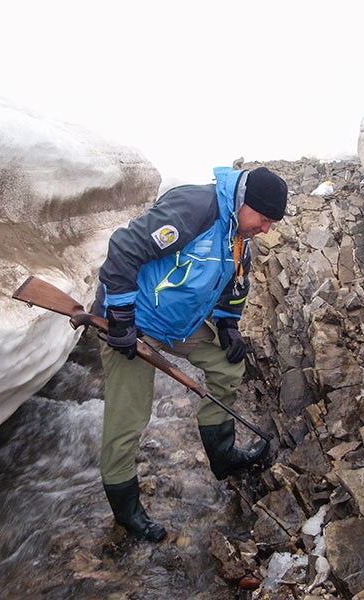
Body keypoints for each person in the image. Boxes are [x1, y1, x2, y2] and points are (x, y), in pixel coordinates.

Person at [93, 165, 288, 542]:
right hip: (133, 321)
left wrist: (228, 323)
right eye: (264, 220)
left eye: (271, 223)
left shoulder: (238, 234)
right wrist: (120, 316)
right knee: (128, 420)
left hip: (178, 323)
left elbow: (236, 281)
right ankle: (127, 512)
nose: (266, 229)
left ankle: (223, 455)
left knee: (228, 368)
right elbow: (124, 248)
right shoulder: (195, 208)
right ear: (245, 202)